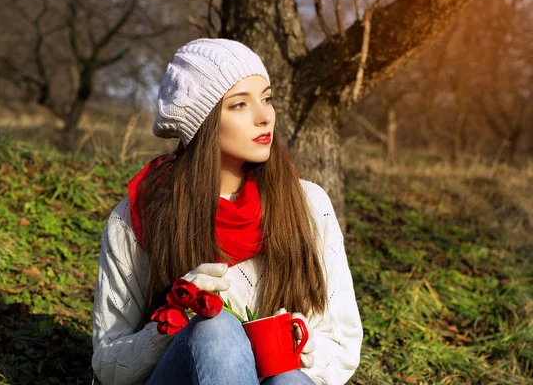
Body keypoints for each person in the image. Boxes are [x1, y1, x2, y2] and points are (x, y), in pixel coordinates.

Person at [91, 38, 363, 385]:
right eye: (239, 105)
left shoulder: (308, 205)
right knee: (215, 329)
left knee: (289, 381)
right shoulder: (140, 217)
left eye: (266, 98)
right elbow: (108, 365)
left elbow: (342, 343)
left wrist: (305, 351)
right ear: (202, 123)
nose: (265, 116)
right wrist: (172, 320)